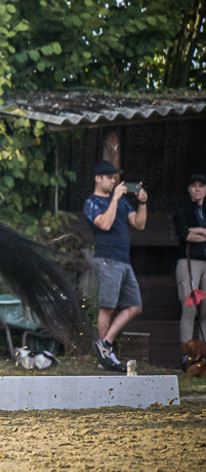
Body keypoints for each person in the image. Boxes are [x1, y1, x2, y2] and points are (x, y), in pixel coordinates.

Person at [83, 159, 147, 371]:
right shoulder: (91, 202)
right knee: (108, 307)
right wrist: (116, 198)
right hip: (107, 259)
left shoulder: (119, 200)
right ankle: (106, 357)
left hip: (124, 260)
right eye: (110, 178)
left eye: (114, 178)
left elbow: (139, 223)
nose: (114, 181)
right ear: (98, 179)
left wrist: (142, 203)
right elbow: (105, 223)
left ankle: (105, 344)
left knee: (135, 306)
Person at [173, 172, 206, 370]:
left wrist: (197, 231)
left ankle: (201, 356)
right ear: (189, 189)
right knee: (190, 309)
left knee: (205, 311)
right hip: (188, 260)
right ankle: (187, 356)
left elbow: (190, 232)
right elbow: (184, 234)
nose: (197, 189)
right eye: (194, 186)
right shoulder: (183, 208)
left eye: (201, 186)